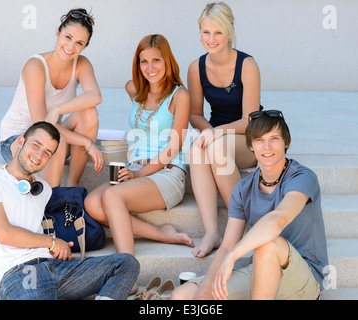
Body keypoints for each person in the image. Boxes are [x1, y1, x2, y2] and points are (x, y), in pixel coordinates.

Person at [171, 110, 329, 300]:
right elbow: (228, 244)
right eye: (260, 140)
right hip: (262, 274)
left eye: (274, 138)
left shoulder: (302, 177)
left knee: (268, 244)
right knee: (184, 295)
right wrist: (205, 290)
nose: (267, 146)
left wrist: (233, 257)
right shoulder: (244, 188)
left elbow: (277, 220)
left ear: (286, 142)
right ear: (251, 146)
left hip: (303, 280)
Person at [0, 121, 139, 300]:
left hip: (55, 268)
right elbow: (4, 234)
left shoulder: (43, 189)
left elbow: (32, 229)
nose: (38, 155)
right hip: (20, 272)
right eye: (35, 145)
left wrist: (56, 249)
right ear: (21, 141)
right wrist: (52, 242)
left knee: (126, 263)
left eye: (47, 153)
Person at [84, 34, 193, 257]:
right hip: (135, 169)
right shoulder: (134, 89)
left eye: (157, 60)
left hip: (167, 173)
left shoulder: (179, 95)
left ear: (168, 61)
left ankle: (127, 271)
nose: (150, 67)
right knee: (92, 203)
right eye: (144, 61)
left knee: (112, 197)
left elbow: (174, 146)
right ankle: (161, 233)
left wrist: (140, 173)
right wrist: (135, 171)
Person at [188, 2, 263, 257]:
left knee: (214, 145)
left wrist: (215, 134)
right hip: (217, 134)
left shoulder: (247, 65)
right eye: (206, 32)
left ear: (229, 32)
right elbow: (195, 114)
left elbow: (249, 120)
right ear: (200, 32)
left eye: (218, 32)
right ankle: (212, 232)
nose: (212, 39)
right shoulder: (195, 68)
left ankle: (237, 229)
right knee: (196, 149)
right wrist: (209, 132)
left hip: (248, 137)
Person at [0, 8, 104, 188]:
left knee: (90, 114)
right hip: (18, 140)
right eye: (68, 37)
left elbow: (95, 96)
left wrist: (57, 110)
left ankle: (72, 187)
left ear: (85, 46)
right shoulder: (36, 66)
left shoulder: (81, 64)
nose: (71, 47)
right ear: (57, 33)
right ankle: (52, 201)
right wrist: (86, 142)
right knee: (57, 139)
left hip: (52, 136)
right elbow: (41, 124)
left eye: (79, 43)